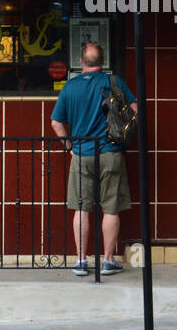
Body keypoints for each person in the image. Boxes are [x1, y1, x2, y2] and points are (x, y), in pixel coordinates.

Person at [49, 42, 137, 277]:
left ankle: (81, 260)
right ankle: (108, 261)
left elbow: (56, 122)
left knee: (81, 207)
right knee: (111, 209)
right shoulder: (113, 82)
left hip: (81, 154)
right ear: (103, 61)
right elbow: (136, 110)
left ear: (81, 62)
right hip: (110, 152)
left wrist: (69, 147)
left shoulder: (70, 87)